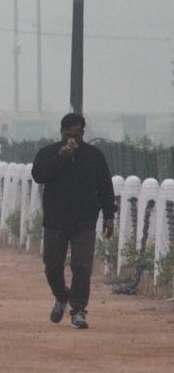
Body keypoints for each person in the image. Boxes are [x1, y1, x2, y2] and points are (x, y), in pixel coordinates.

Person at [32, 113, 116, 329]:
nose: (73, 138)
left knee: (82, 266)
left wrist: (109, 215)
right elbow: (38, 175)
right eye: (69, 134)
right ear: (61, 132)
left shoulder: (94, 156)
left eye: (77, 134)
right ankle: (62, 296)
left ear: (82, 133)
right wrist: (61, 156)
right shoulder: (49, 153)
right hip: (55, 220)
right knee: (52, 265)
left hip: (84, 221)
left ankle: (78, 310)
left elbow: (105, 186)